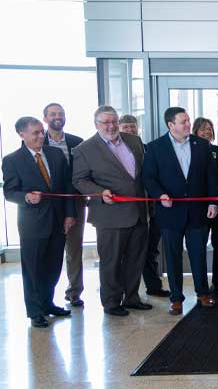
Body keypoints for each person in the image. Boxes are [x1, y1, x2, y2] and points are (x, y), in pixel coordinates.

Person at [72, 106, 151, 317]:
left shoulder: (134, 141)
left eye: (114, 121)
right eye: (106, 122)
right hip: (110, 215)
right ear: (96, 124)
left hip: (138, 212)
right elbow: (78, 180)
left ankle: (132, 297)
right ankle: (111, 302)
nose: (111, 126)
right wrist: (99, 192)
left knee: (136, 259)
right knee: (112, 262)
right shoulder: (84, 149)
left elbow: (140, 174)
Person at [142, 107, 218, 315]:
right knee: (173, 256)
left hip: (197, 211)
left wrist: (213, 202)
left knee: (199, 254)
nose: (187, 125)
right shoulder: (155, 147)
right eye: (183, 122)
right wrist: (160, 195)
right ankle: (176, 298)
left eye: (188, 121)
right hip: (170, 211)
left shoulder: (202, 145)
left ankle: (202, 293)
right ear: (171, 125)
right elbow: (148, 177)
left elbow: (211, 177)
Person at [2, 117, 77, 328]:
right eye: (34, 133)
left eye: (41, 132)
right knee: (33, 269)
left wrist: (70, 214)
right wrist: (26, 197)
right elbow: (9, 192)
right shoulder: (12, 160)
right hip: (32, 224)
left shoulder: (55, 155)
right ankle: (35, 311)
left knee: (53, 266)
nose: (40, 136)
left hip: (58, 220)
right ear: (21, 134)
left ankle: (47, 303)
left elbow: (66, 186)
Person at [119, 114, 171, 297]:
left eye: (132, 127)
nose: (130, 130)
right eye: (125, 127)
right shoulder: (116, 152)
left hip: (152, 209)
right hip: (126, 211)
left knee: (151, 250)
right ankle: (126, 292)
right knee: (127, 253)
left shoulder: (149, 149)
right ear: (119, 129)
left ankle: (154, 286)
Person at [42, 103, 86, 307]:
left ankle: (74, 292)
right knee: (50, 249)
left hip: (75, 200)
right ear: (45, 119)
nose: (57, 117)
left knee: (74, 248)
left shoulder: (77, 142)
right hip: (48, 204)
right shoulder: (37, 141)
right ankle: (46, 295)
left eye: (60, 113)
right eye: (53, 114)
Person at [193, 117, 218, 295]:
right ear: (195, 132)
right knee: (199, 245)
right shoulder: (190, 150)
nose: (207, 132)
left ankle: (217, 281)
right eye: (202, 129)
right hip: (199, 208)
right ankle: (201, 284)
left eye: (209, 129)